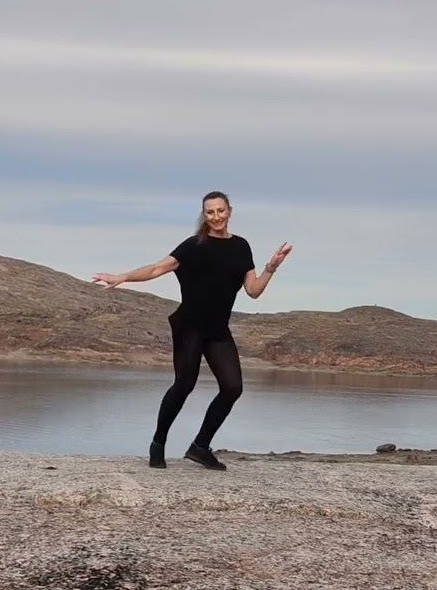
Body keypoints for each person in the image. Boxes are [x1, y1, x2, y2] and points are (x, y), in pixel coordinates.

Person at [91, 190, 292, 471]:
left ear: (229, 212)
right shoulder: (192, 246)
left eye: (220, 211)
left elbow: (253, 291)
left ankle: (199, 447)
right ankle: (158, 443)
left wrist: (271, 267)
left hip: (217, 331)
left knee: (233, 388)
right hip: (189, 327)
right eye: (210, 212)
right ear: (204, 215)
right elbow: (156, 270)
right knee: (184, 385)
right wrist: (122, 277)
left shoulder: (242, 247)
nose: (216, 217)